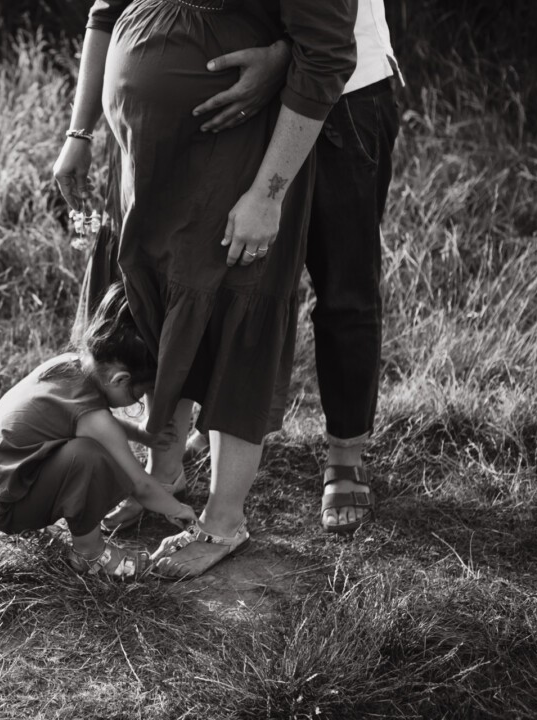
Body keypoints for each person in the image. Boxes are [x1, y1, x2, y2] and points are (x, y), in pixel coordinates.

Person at [53, 0, 357, 578]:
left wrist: (267, 195)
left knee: (232, 307)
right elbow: (105, 10)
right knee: (154, 307)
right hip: (144, 158)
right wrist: (81, 129)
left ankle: (224, 519)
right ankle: (161, 470)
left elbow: (327, 53)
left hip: (239, 155)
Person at [185, 0, 402, 533]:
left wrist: (284, 56)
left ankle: (345, 452)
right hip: (247, 96)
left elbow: (329, 36)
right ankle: (216, 420)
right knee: (226, 273)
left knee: (343, 285)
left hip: (344, 95)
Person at [0, 281, 197, 579]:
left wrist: (140, 434)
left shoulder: (70, 365)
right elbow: (140, 484)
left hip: (0, 488)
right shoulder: (94, 419)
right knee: (90, 459)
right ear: (120, 379)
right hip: (10, 505)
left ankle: (74, 529)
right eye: (138, 394)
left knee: (89, 450)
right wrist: (175, 508)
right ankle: (89, 553)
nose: (135, 402)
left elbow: (85, 421)